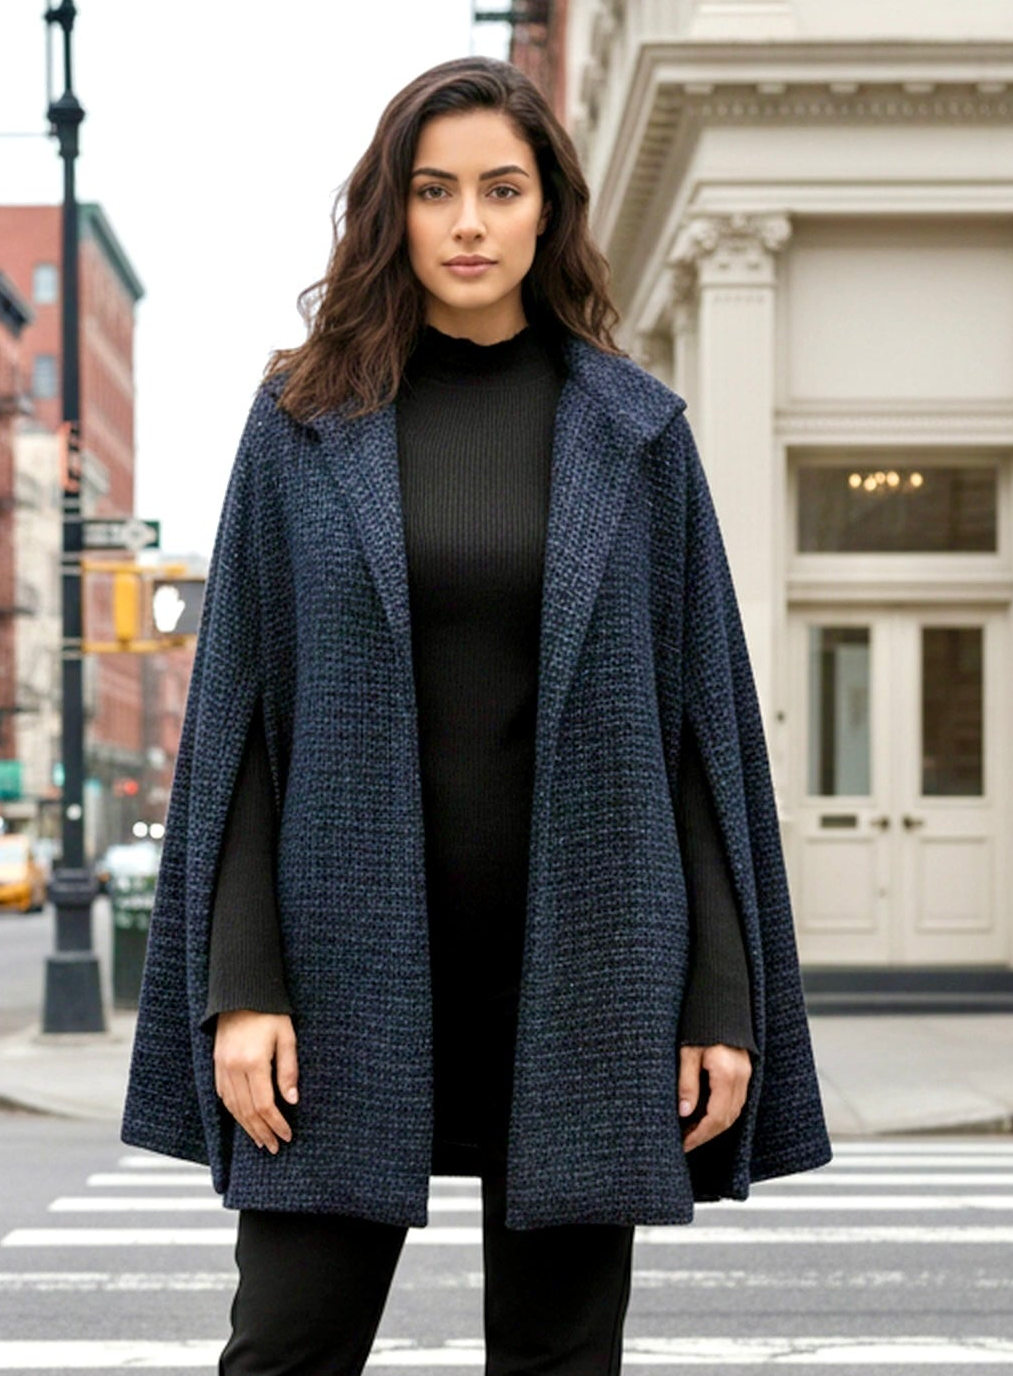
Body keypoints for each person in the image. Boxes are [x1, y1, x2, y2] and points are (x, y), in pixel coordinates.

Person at [123, 55, 831, 1377]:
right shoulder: (301, 424)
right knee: (285, 1346)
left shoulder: (635, 433)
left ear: (546, 211)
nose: (465, 222)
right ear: (388, 211)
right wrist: (244, 987)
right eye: (433, 190)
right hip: (343, 975)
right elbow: (240, 731)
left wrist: (718, 998)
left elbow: (701, 737)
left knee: (562, 1359)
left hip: (584, 974)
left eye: (500, 190)